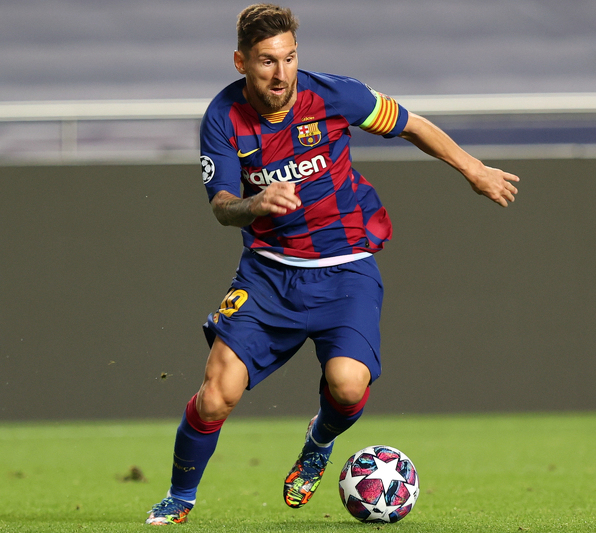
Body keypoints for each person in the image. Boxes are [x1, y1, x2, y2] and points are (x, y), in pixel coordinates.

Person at [146, 3, 519, 525]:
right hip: (269, 273)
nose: (281, 74)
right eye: (266, 62)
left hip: (345, 268)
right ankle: (179, 498)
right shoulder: (223, 118)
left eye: (289, 58)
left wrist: (473, 169)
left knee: (347, 385)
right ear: (240, 62)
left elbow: (412, 124)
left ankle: (319, 441)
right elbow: (221, 206)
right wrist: (257, 203)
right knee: (215, 396)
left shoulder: (335, 94)